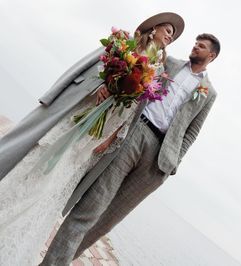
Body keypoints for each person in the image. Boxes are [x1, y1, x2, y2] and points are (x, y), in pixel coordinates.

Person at [0, 12, 184, 265]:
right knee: (39, 157)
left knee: (58, 179)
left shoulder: (158, 70)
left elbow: (135, 108)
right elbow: (93, 65)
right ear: (154, 29)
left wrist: (112, 136)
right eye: (168, 30)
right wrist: (103, 84)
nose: (170, 37)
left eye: (173, 36)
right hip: (82, 109)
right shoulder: (125, 43)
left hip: (102, 128)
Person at [40, 33, 221, 265]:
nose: (196, 47)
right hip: (136, 132)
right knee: (91, 206)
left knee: (107, 221)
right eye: (196, 43)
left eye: (202, 46)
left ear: (211, 56)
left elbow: (192, 131)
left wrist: (174, 163)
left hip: (159, 161)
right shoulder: (170, 63)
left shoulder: (209, 93)